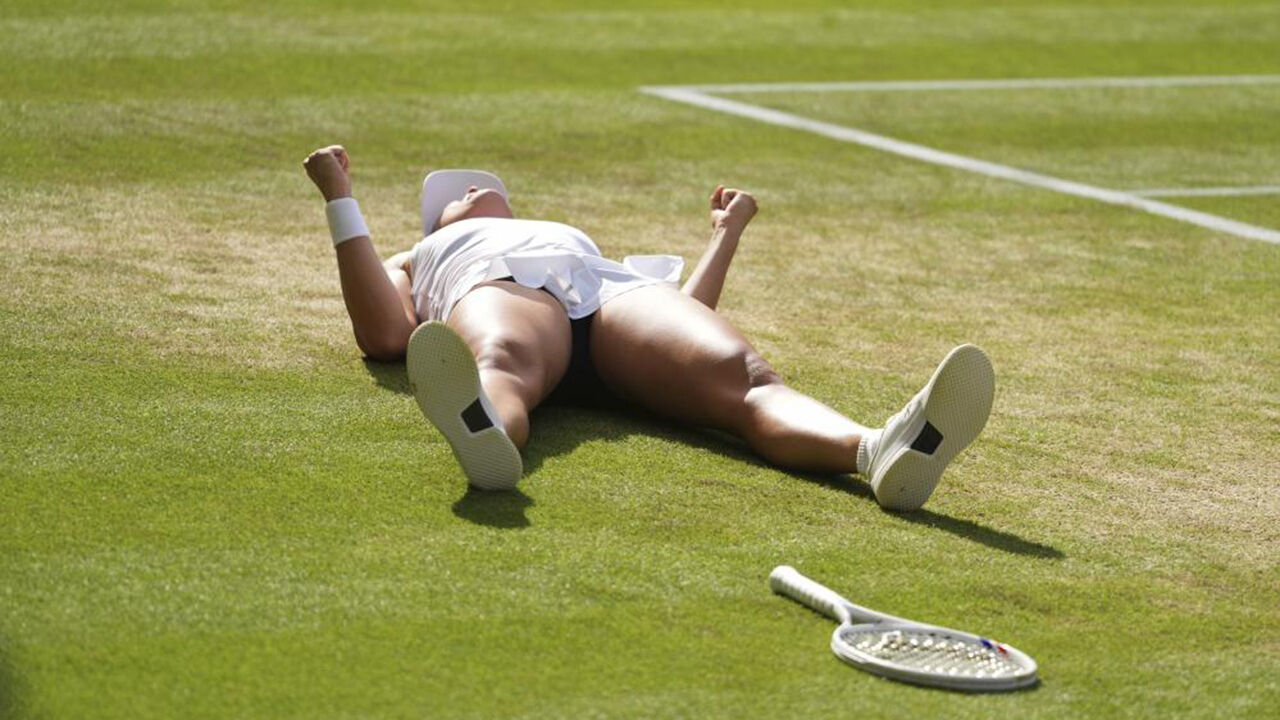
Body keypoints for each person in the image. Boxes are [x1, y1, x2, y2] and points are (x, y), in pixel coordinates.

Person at [302, 144, 995, 511]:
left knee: (743, 378)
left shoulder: (573, 239)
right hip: (508, 297)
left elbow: (688, 319)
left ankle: (875, 450)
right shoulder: (423, 254)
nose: (467, 192)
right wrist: (342, 201)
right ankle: (488, 430)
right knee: (505, 361)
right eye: (451, 200)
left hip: (613, 304)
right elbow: (386, 335)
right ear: (437, 226)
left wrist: (725, 237)